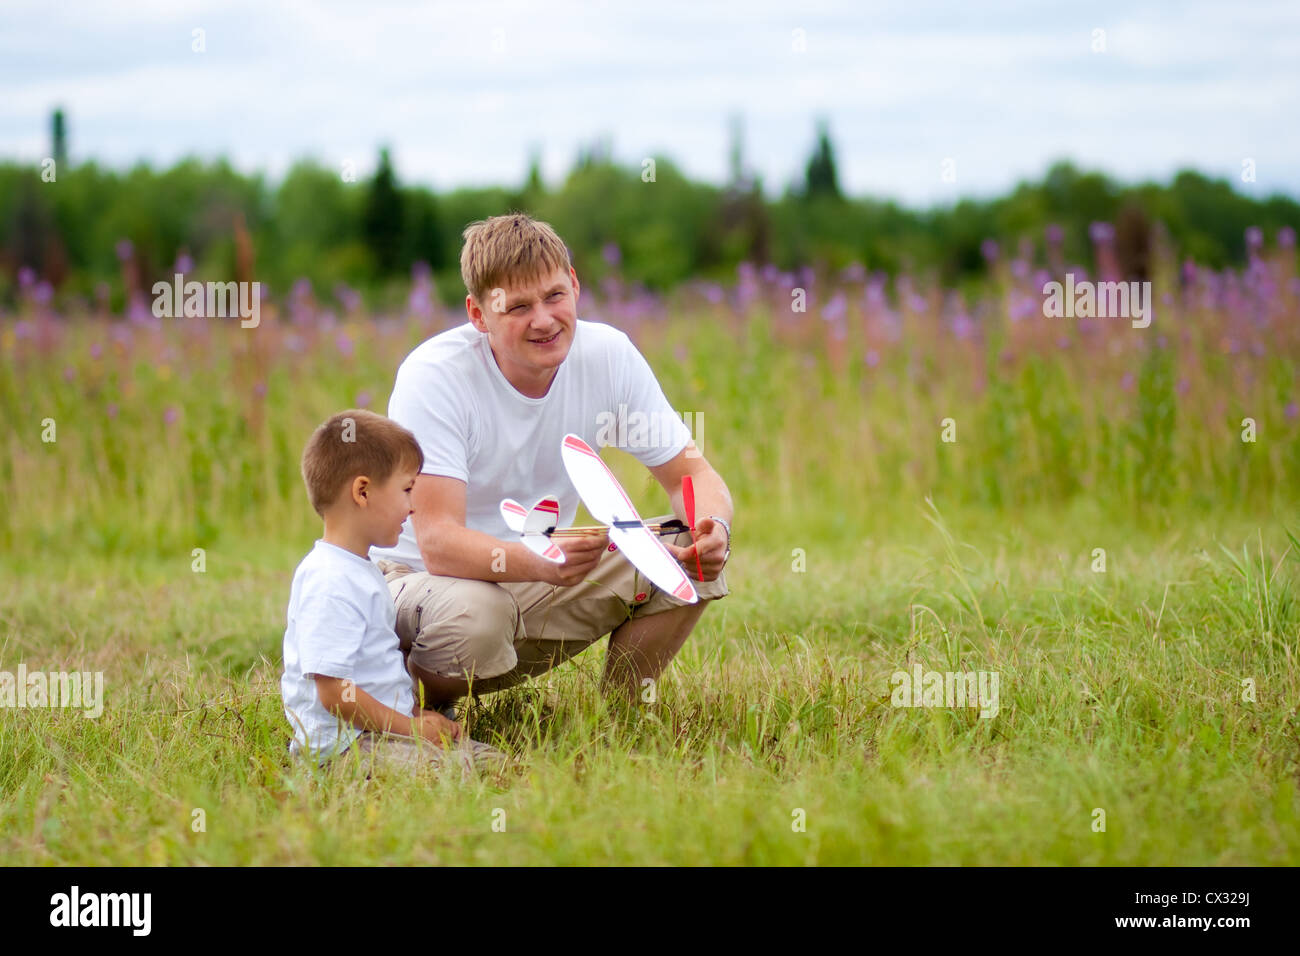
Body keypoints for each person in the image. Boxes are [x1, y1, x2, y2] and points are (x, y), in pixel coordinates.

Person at [371, 214, 734, 714]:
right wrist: (538, 563)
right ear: (478, 314)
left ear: (576, 285)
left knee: (683, 555)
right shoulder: (434, 377)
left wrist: (713, 529)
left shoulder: (608, 355)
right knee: (481, 614)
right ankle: (401, 707)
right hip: (415, 582)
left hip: (534, 572)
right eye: (518, 306)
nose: (543, 320)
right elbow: (436, 543)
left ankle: (621, 718)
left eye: (554, 296)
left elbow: (692, 475)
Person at [281, 409, 509, 776]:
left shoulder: (361, 569)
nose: (413, 506)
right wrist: (412, 730)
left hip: (383, 734)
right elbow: (335, 694)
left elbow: (377, 674)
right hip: (345, 748)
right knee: (456, 773)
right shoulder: (329, 580)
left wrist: (418, 716)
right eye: (406, 490)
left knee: (498, 766)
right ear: (363, 491)